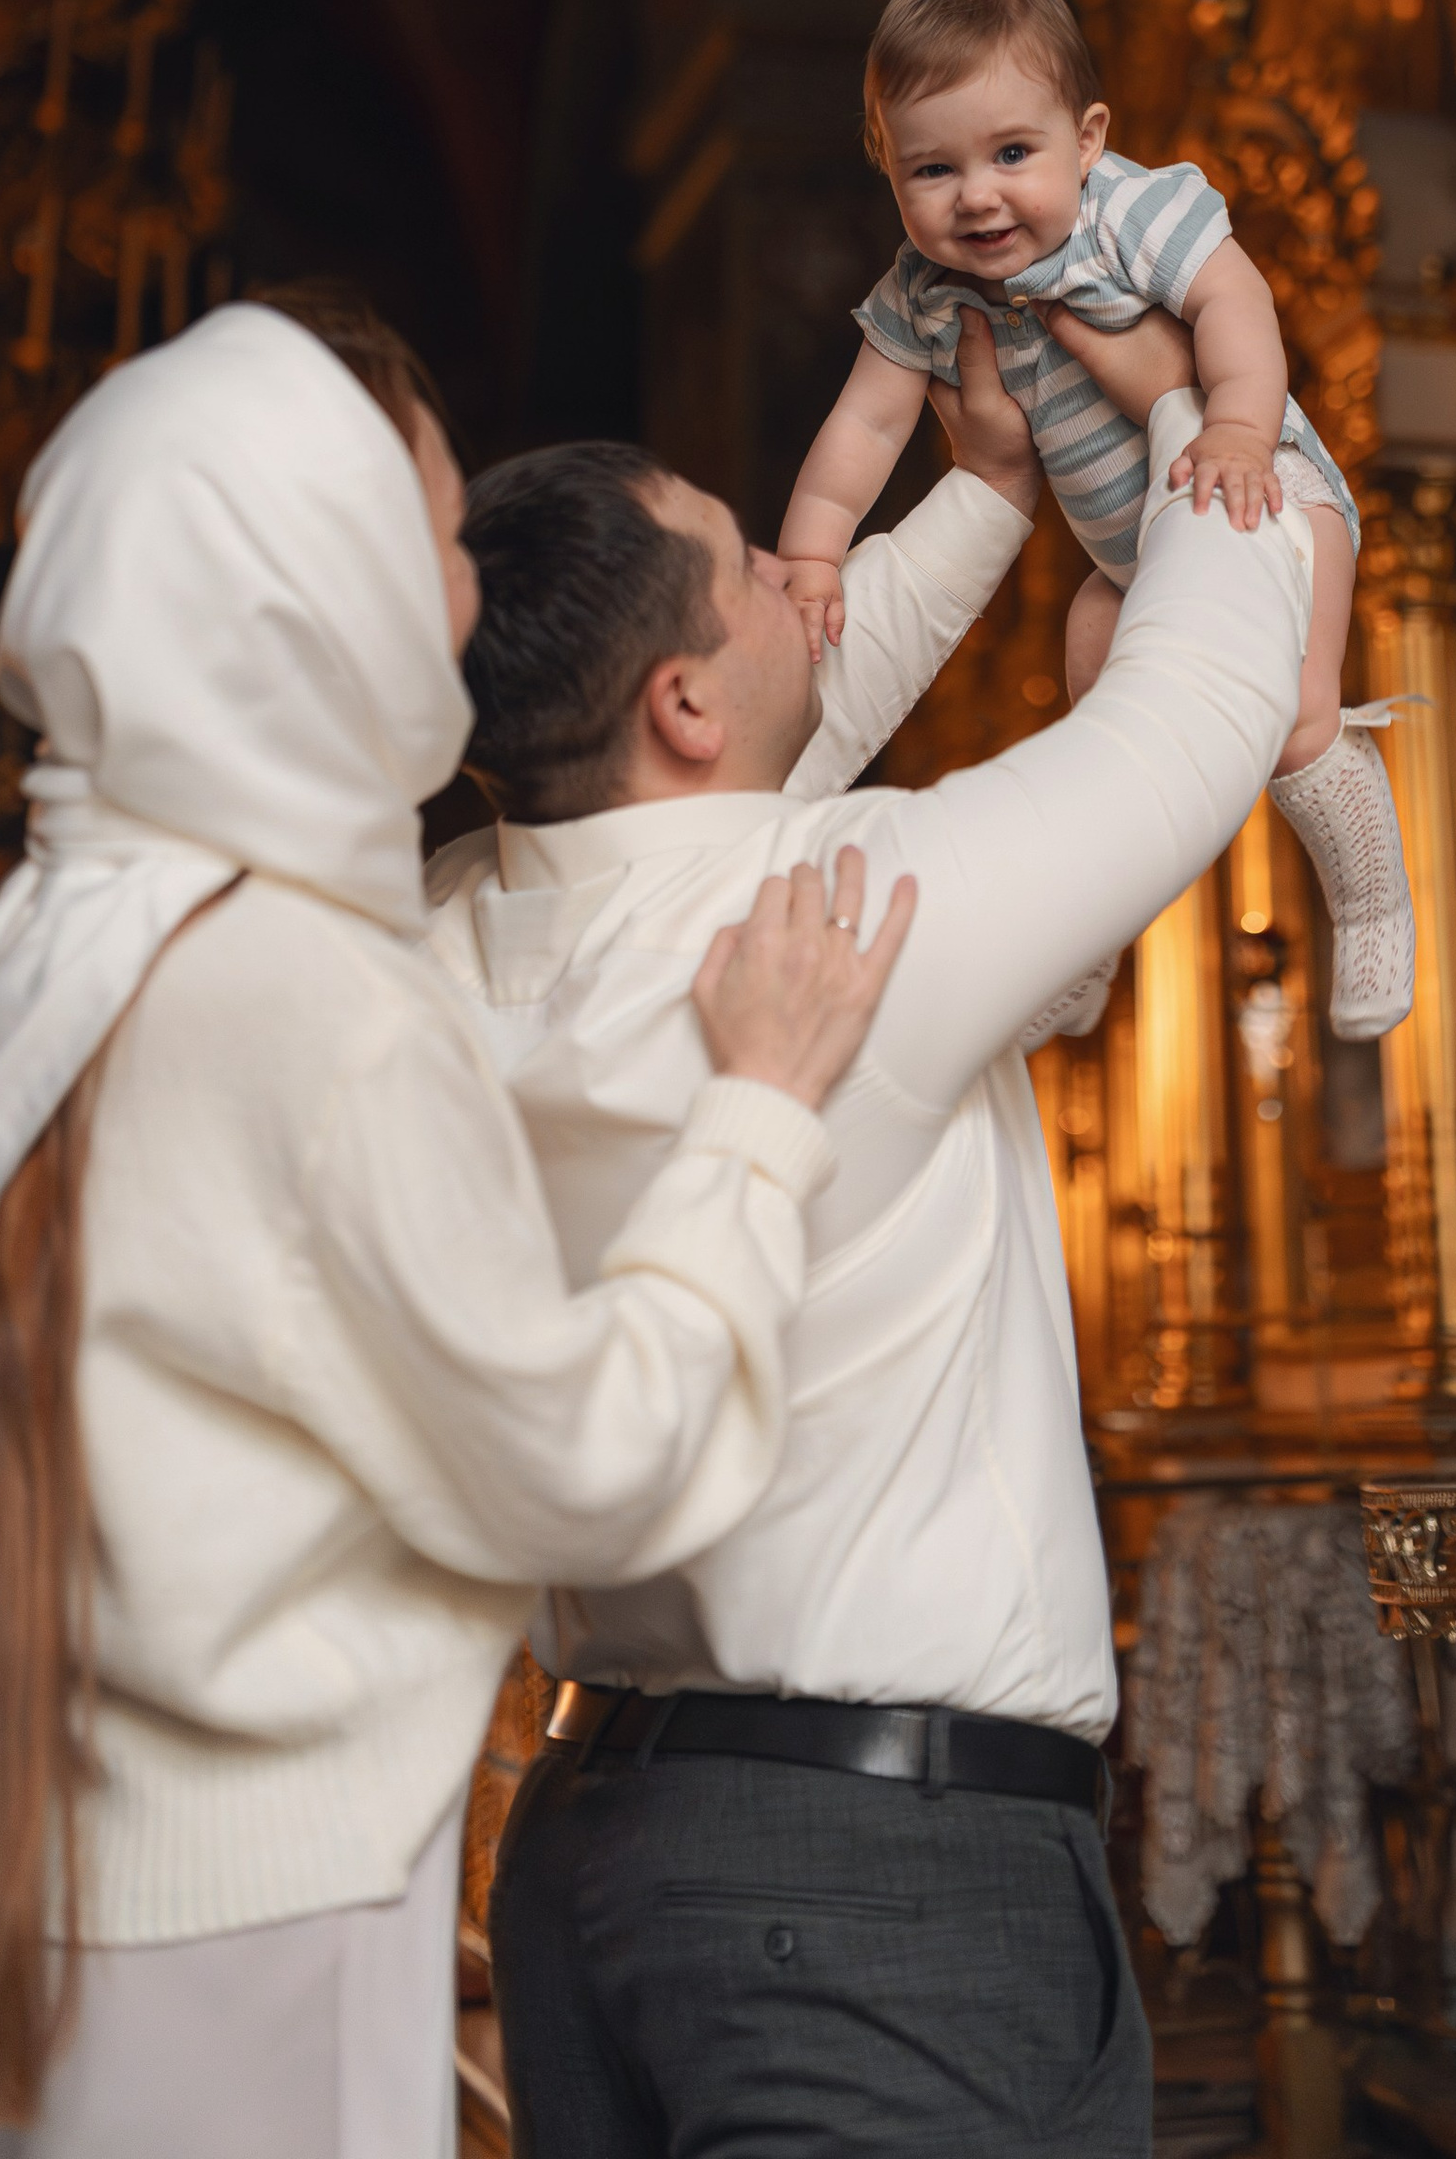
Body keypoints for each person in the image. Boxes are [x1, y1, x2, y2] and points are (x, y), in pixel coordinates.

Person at [0, 289, 914, 2159]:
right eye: (432, 540)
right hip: (260, 1924)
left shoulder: (59, 939)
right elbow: (586, 1461)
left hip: (86, 1881)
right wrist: (758, 1112)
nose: (463, 595)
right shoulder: (302, 993)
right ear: (321, 586)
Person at [429, 302, 1314, 2155]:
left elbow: (760, 744)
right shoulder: (847, 910)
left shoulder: (452, 939)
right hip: (872, 1893)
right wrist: (1199, 405)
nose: (799, 567)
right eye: (756, 562)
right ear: (680, 697)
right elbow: (1212, 701)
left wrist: (988, 489)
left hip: (596, 1847)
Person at [779, 0, 1414, 1040]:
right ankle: (1089, 942)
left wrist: (1236, 428)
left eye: (1012, 153)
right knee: (1096, 723)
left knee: (1299, 714)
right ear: (886, 169)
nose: (976, 195)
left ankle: (1372, 903)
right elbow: (866, 424)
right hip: (1129, 560)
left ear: (1088, 139)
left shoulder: (1129, 213)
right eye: (931, 170)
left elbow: (1233, 300)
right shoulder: (922, 294)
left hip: (1269, 492)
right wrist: (811, 555)